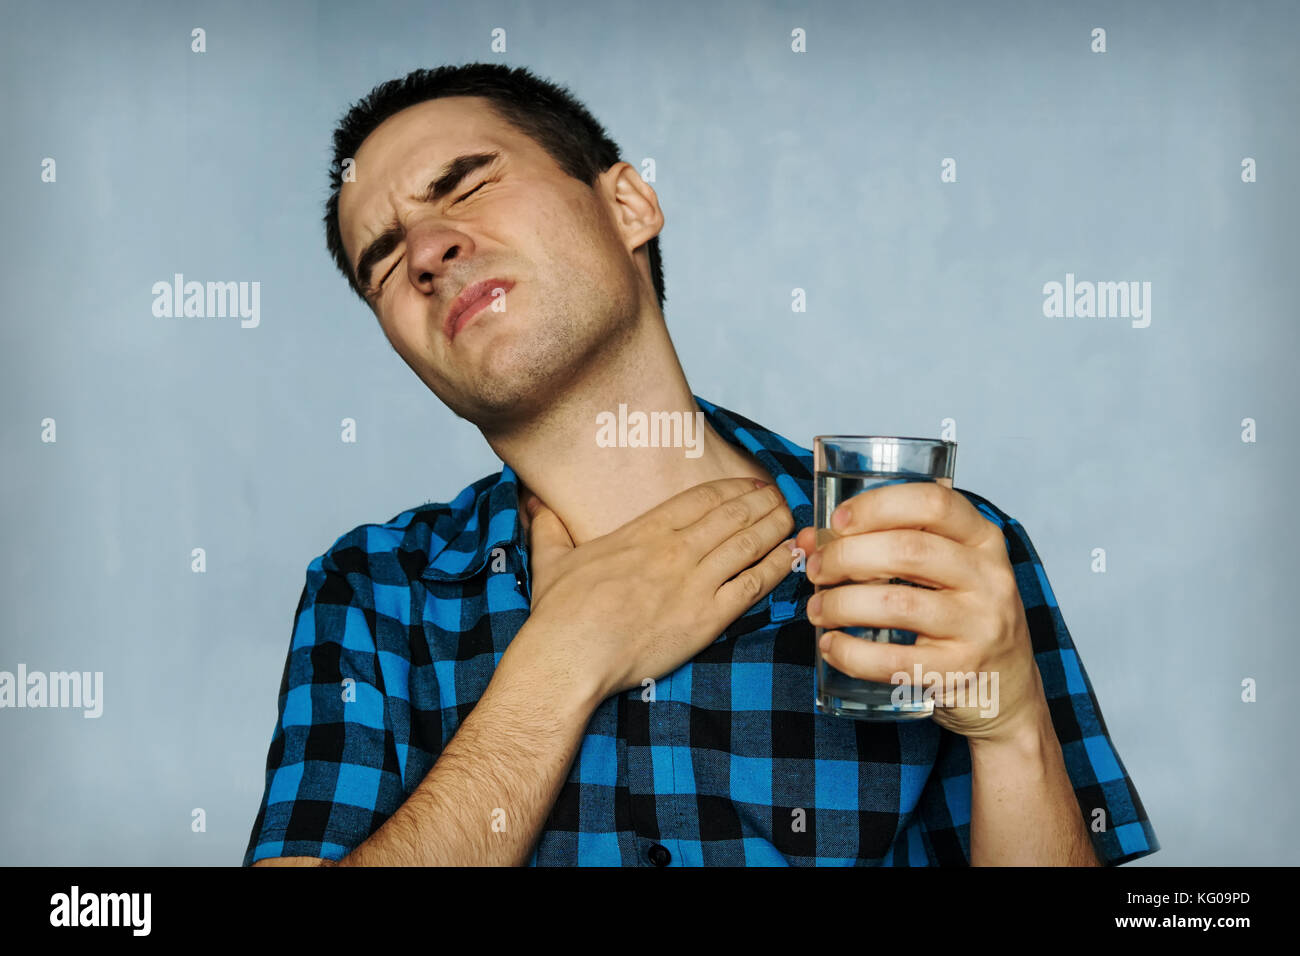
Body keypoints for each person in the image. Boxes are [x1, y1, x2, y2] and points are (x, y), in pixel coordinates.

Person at [242, 62, 1158, 866]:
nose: (429, 252)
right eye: (384, 262)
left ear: (628, 205)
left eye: (469, 186)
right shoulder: (371, 591)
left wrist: (1012, 735)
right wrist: (564, 659)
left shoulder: (925, 547)